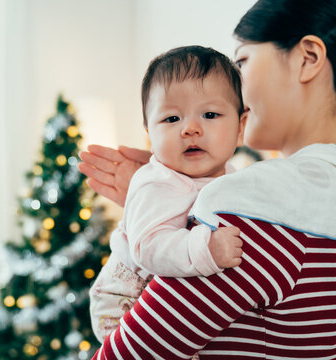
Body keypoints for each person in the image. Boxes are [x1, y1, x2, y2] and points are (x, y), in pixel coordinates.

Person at [78, 0, 336, 358]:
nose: (237, 87)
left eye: (242, 62)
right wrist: (161, 197)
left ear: (308, 58)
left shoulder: (264, 202)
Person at [88, 46, 246, 343]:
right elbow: (148, 247)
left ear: (241, 126)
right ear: (149, 131)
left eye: (210, 114)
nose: (190, 128)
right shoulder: (154, 183)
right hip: (125, 302)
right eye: (171, 119)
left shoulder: (234, 180)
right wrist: (207, 249)